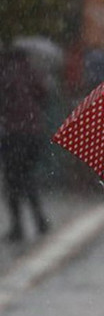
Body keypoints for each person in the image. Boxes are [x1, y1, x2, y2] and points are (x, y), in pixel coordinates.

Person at [0, 48, 50, 242]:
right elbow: (44, 95)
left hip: (13, 133)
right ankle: (39, 219)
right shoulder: (32, 72)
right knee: (28, 176)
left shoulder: (6, 75)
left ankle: (18, 226)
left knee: (13, 180)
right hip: (34, 132)